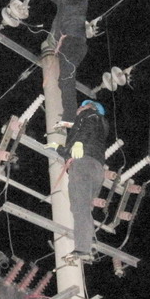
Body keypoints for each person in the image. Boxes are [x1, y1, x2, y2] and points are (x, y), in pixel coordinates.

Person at [56, 100, 109, 262]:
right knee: (84, 208)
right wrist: (58, 148)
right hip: (96, 167)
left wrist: (77, 143)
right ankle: (87, 242)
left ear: (92, 107)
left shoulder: (89, 115)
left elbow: (83, 131)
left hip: (83, 163)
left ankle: (83, 248)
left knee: (80, 207)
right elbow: (81, 137)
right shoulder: (99, 124)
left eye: (83, 105)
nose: (79, 108)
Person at [43, 0, 89, 129]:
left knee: (66, 78)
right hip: (65, 43)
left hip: (73, 41)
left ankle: (70, 117)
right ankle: (69, 117)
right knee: (64, 79)